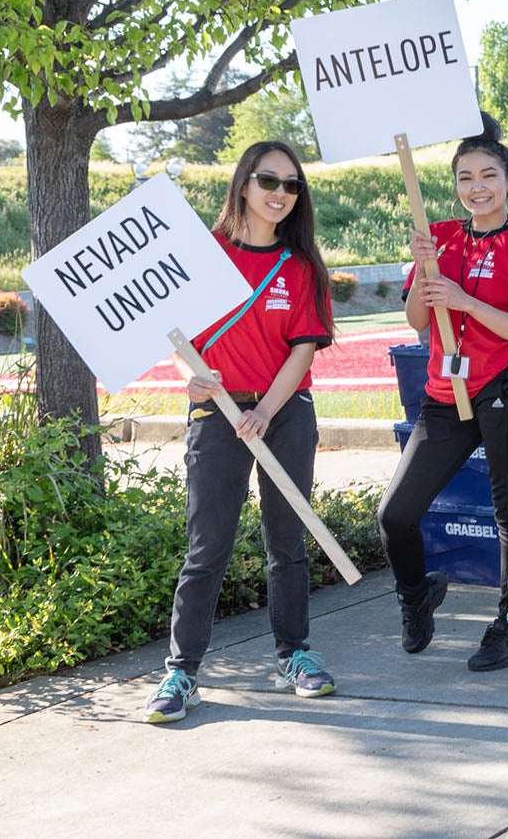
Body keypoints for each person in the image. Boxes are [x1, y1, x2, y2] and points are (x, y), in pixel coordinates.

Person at [146, 141, 338, 723]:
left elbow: (303, 348)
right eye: (268, 181)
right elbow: (179, 337)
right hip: (217, 416)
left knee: (288, 542)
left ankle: (295, 656)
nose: (280, 194)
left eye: (291, 185)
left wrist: (264, 411)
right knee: (208, 547)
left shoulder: (301, 266)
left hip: (282, 413)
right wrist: (193, 380)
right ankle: (182, 672)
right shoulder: (203, 256)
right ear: (243, 184)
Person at [377, 114, 508, 672]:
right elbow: (415, 322)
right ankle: (416, 596)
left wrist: (467, 301)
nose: (476, 187)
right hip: (444, 389)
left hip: (505, 383)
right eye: (465, 178)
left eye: (488, 175)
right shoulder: (443, 238)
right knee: (396, 514)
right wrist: (424, 272)